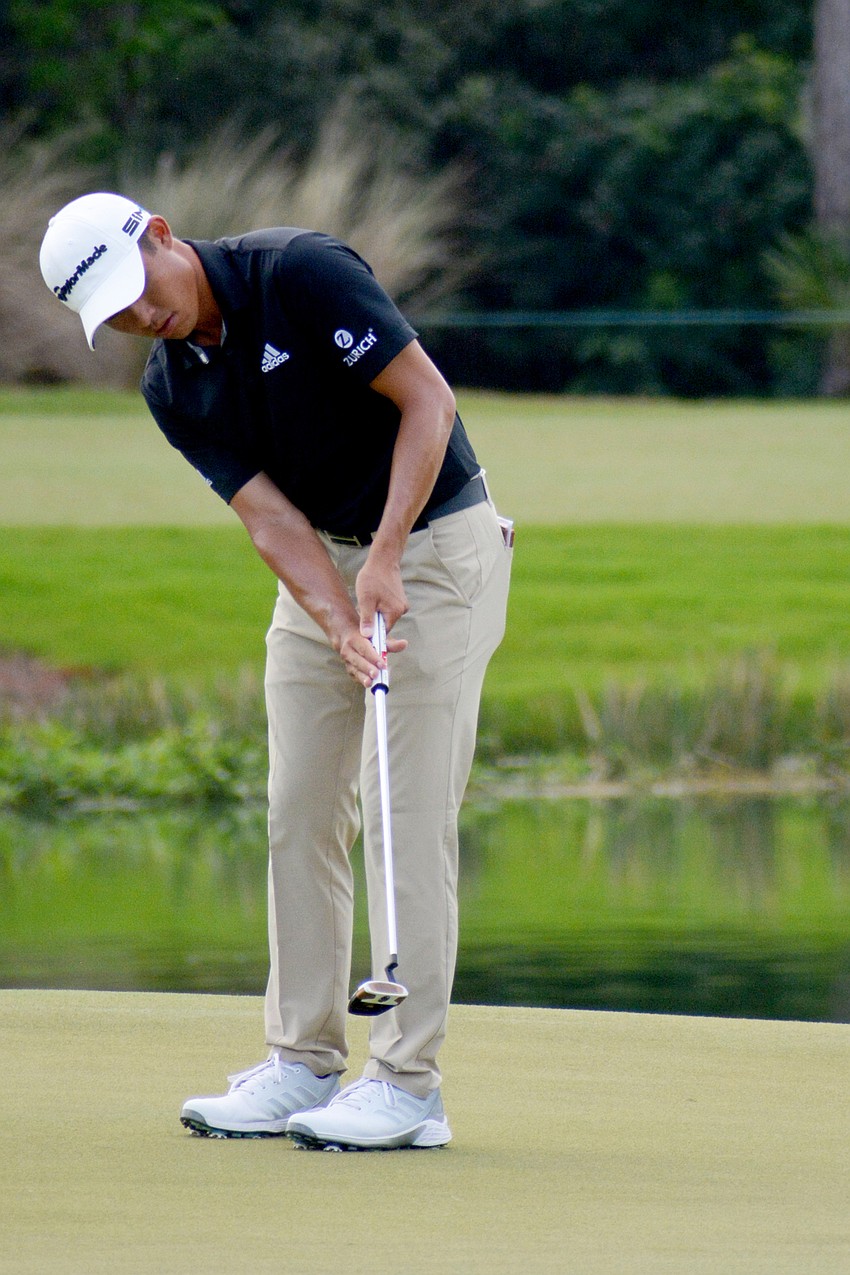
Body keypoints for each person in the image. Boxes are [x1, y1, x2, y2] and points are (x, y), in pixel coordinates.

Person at [39, 192, 512, 1151]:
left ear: (163, 235)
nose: (141, 318)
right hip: (322, 571)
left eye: (138, 291)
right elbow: (269, 519)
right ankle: (303, 1061)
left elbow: (429, 400)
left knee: (403, 815)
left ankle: (410, 1084)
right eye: (116, 316)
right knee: (299, 808)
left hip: (433, 543)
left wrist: (382, 557)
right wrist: (338, 618)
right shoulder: (174, 389)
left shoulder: (298, 272)